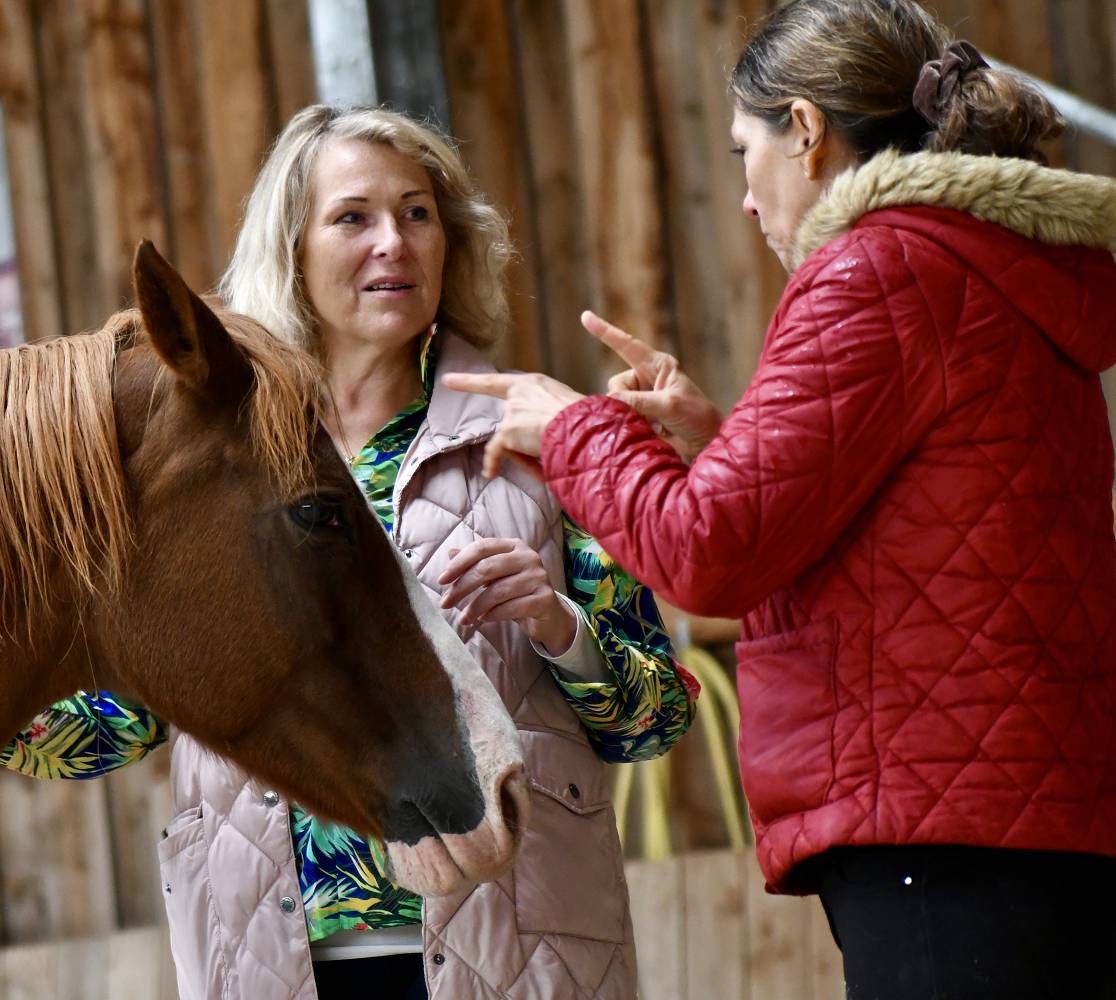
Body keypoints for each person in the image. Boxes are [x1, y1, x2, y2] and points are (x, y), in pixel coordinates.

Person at [445, 2, 1116, 998]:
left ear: (805, 131)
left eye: (742, 152)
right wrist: (718, 443)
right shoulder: (976, 263)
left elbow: (712, 550)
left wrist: (575, 426)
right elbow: (918, 522)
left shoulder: (876, 269)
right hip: (1023, 813)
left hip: (937, 826)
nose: (748, 201)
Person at [0, 105, 698, 1000]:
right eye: (353, 217)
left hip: (516, 960)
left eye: (417, 213)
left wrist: (558, 625)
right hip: (270, 968)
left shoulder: (542, 435)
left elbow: (655, 720)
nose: (394, 244)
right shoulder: (215, 477)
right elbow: (115, 723)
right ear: (291, 247)